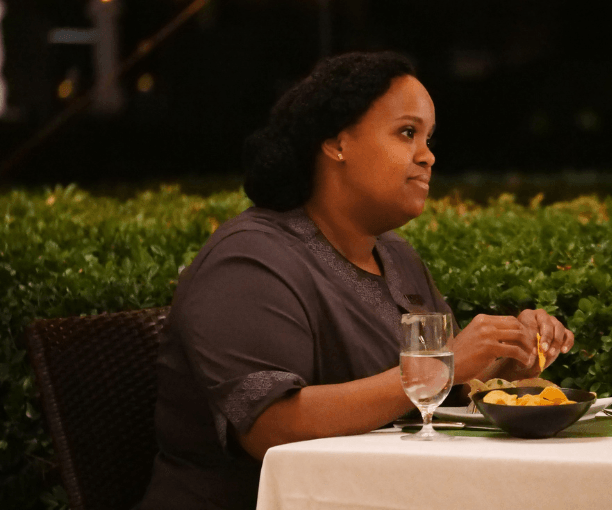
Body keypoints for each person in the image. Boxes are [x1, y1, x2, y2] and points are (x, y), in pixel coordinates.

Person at [140, 51, 574, 510]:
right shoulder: (248, 261)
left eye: (428, 138)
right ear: (337, 142)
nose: (427, 156)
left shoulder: (396, 257)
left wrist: (503, 361)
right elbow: (270, 427)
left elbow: (431, 389)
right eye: (408, 133)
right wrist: (445, 365)